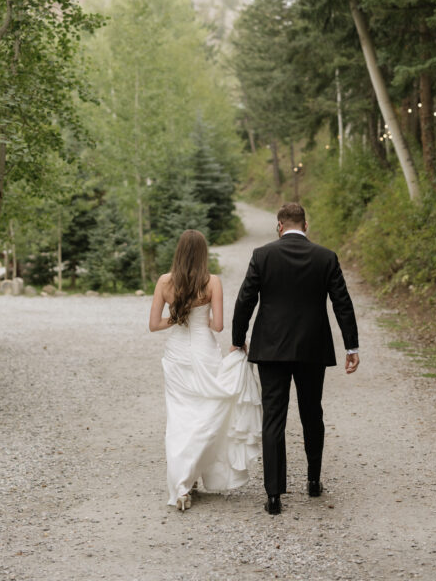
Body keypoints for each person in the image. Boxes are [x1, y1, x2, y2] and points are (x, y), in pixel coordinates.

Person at [231, 202, 359, 516]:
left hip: (271, 349)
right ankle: (313, 481)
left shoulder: (263, 256)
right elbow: (342, 302)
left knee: (273, 416)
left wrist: (238, 339)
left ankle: (274, 496)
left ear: (279, 226)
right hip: (312, 348)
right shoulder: (325, 257)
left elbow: (245, 298)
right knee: (311, 412)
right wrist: (351, 347)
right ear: (305, 225)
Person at [149, 229, 261, 511]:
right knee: (206, 414)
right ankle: (191, 475)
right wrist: (208, 320)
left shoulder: (165, 282)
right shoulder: (212, 282)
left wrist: (177, 316)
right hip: (204, 351)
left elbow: (154, 324)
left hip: (176, 355)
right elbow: (219, 325)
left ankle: (182, 485)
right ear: (203, 253)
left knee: (179, 419)